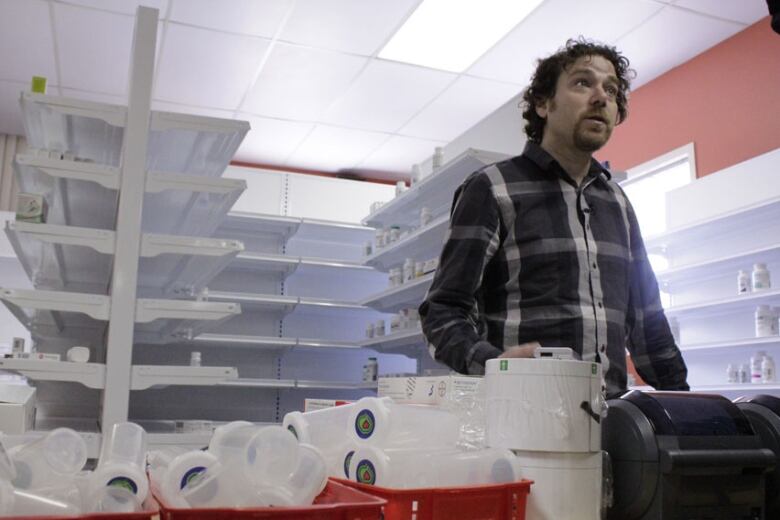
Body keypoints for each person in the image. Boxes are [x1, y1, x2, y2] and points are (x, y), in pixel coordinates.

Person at [419, 38, 689, 398]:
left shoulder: (617, 204)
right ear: (544, 103)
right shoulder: (493, 188)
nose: (601, 97)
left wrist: (690, 409)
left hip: (611, 424)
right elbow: (442, 310)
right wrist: (494, 365)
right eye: (583, 83)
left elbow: (648, 321)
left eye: (611, 89)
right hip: (521, 417)